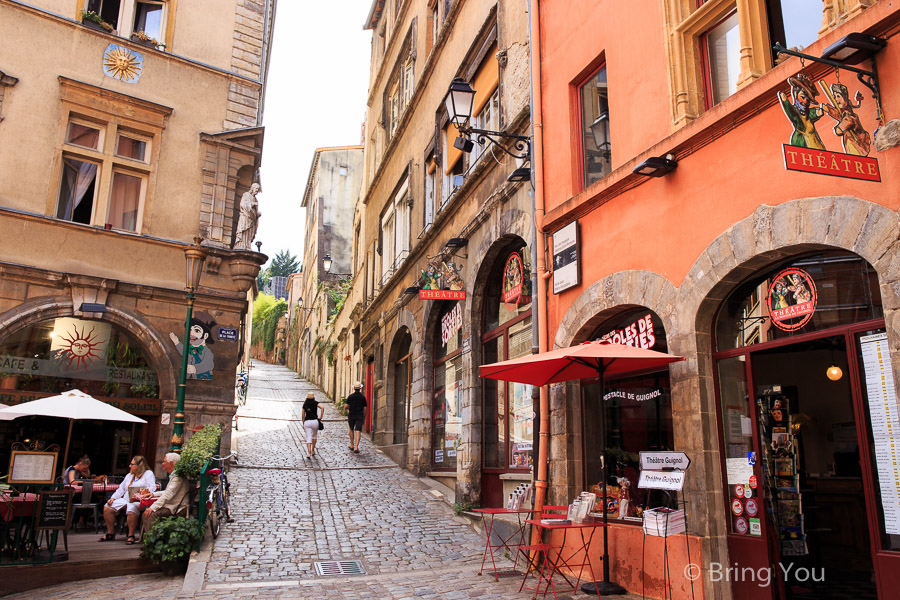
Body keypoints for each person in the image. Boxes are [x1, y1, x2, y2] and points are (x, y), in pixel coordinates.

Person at [99, 455, 156, 545]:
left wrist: (144, 492)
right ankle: (110, 533)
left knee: (131, 508)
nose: (130, 466)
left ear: (139, 465)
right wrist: (113, 498)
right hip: (126, 498)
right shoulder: (129, 476)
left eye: (132, 464)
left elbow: (152, 487)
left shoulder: (148, 474)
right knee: (107, 507)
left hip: (139, 500)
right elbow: (121, 489)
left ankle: (131, 535)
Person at [141, 453, 189, 531]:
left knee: (151, 514)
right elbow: (168, 491)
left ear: (171, 464)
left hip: (177, 507)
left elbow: (168, 494)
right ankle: (149, 537)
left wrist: (152, 508)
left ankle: (152, 538)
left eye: (164, 462)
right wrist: (153, 494)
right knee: (146, 513)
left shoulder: (177, 477)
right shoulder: (175, 475)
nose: (162, 464)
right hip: (172, 505)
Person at [234, 183, 261, 250]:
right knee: (244, 231)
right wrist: (252, 204)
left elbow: (255, 211)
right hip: (245, 217)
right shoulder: (246, 195)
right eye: (256, 189)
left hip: (252, 219)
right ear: (252, 188)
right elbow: (243, 205)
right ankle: (241, 245)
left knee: (249, 233)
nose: (257, 191)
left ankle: (247, 246)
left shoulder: (255, 199)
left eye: (258, 190)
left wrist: (257, 214)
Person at [345, 382, 367, 453]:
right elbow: (365, 408)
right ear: (360, 388)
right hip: (359, 415)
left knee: (351, 429)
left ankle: (351, 445)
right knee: (358, 430)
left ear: (354, 388)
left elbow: (345, 406)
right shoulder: (362, 397)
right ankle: (356, 447)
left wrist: (350, 407)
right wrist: (364, 416)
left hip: (352, 414)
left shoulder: (350, 397)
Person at [302, 392, 324, 459]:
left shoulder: (305, 404)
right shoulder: (316, 403)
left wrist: (303, 423)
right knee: (314, 436)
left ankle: (308, 452)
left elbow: (303, 416)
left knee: (308, 437)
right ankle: (313, 450)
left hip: (307, 422)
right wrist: (320, 417)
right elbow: (322, 407)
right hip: (315, 421)